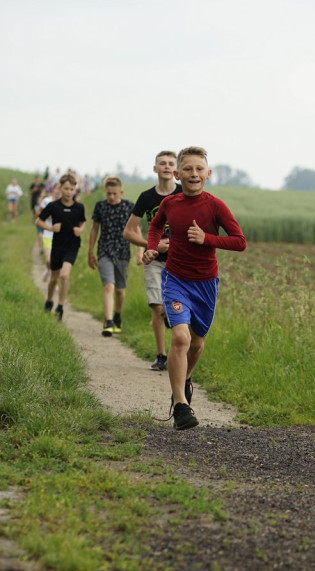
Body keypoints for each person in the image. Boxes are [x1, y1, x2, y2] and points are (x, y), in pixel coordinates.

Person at [142, 146, 246, 430]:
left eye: (199, 169)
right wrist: (152, 247)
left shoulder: (215, 206)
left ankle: (184, 380)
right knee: (180, 338)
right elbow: (154, 227)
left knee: (197, 344)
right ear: (177, 174)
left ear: (208, 174)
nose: (194, 173)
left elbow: (240, 241)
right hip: (175, 279)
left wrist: (207, 238)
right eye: (187, 169)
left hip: (206, 284)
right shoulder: (170, 204)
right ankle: (180, 405)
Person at [123, 150, 182, 370]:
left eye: (170, 163)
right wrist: (151, 246)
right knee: (157, 308)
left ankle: (179, 354)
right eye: (162, 163)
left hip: (180, 262)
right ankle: (161, 356)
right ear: (155, 168)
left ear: (176, 170)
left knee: (175, 308)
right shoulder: (146, 197)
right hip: (154, 260)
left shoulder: (183, 193)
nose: (166, 166)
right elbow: (128, 232)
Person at [35, 173, 86, 321]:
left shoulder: (79, 207)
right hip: (57, 245)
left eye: (71, 189)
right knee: (54, 278)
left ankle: (60, 307)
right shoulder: (53, 206)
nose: (69, 192)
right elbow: (38, 221)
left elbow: (83, 222)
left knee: (64, 275)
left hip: (72, 246)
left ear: (75, 190)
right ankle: (49, 301)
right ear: (60, 188)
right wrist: (51, 228)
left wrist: (80, 230)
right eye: (66, 189)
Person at [88, 177, 135, 336]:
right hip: (104, 250)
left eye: (115, 193)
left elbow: (135, 229)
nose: (112, 196)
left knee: (120, 290)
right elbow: (94, 229)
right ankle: (108, 322)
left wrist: (141, 250)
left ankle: (117, 316)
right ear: (105, 192)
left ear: (121, 192)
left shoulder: (129, 206)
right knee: (109, 286)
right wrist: (90, 251)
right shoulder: (100, 206)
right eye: (109, 193)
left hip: (122, 251)